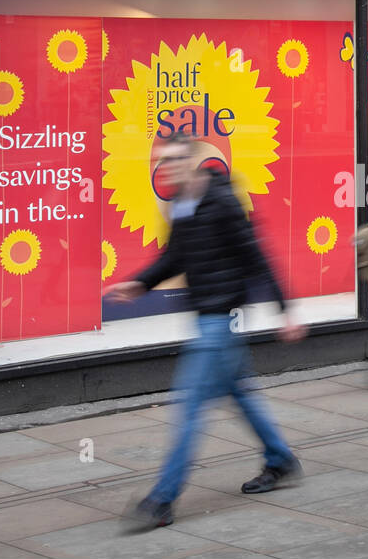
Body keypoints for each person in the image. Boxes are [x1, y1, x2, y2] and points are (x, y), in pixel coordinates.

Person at [105, 133, 306, 530]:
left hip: (222, 320)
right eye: (164, 160)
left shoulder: (222, 203)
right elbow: (175, 257)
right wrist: (140, 284)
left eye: (179, 158)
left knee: (190, 406)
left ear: (195, 160)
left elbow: (256, 255)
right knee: (240, 394)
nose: (170, 166)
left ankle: (162, 500)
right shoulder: (182, 204)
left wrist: (285, 311)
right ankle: (280, 459)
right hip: (207, 320)